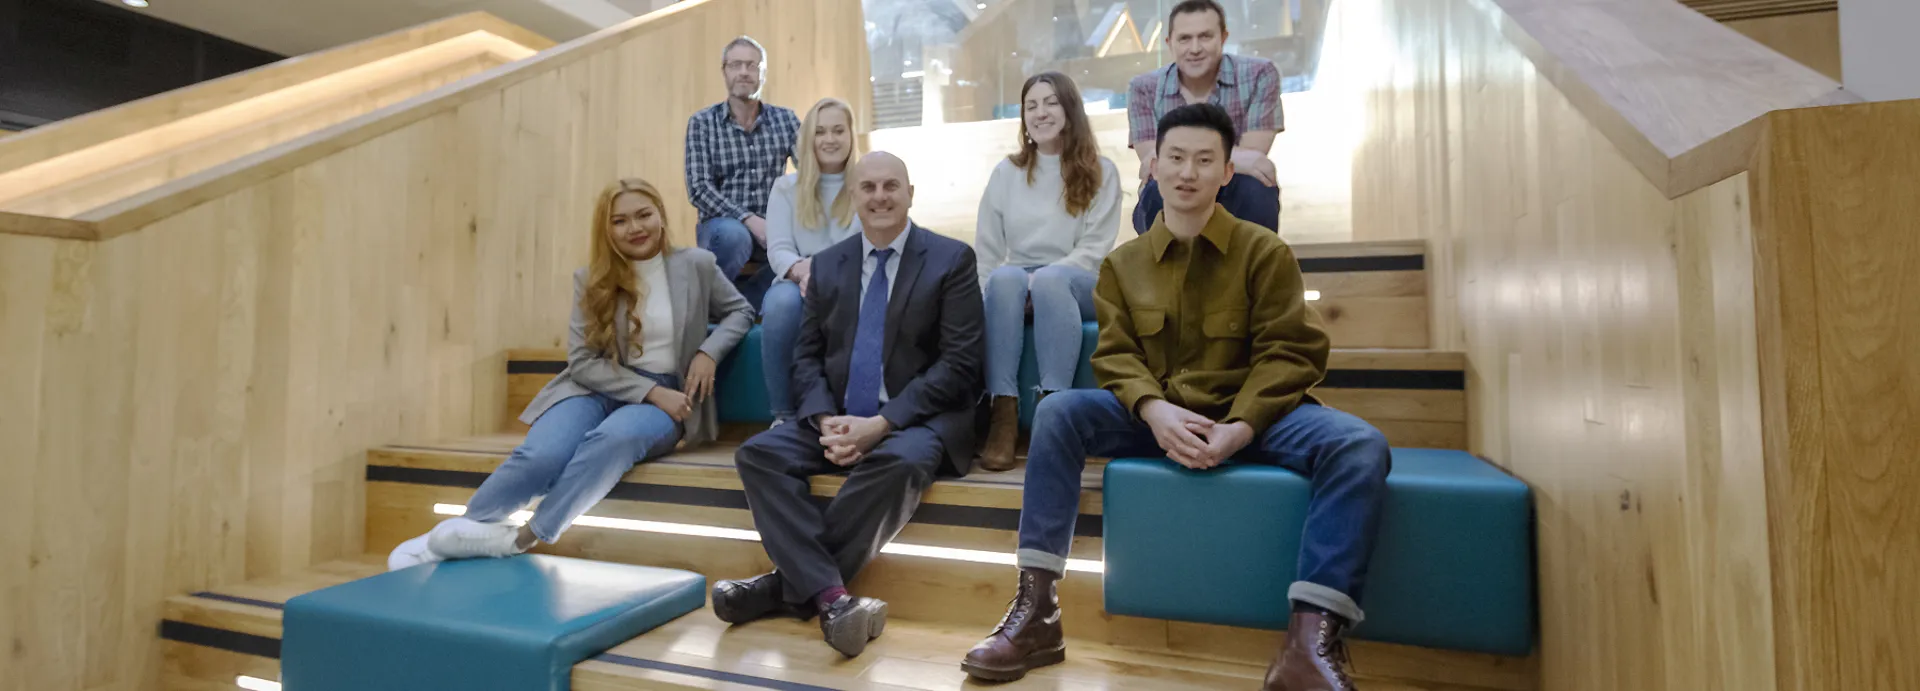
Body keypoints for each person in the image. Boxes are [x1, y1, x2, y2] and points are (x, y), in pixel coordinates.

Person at [961, 104, 1389, 691]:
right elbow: (1115, 354)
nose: (1188, 172)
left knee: (1359, 445)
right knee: (1058, 411)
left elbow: (1291, 353)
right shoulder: (1122, 265)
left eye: (1205, 160)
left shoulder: (1264, 252)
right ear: (1154, 167)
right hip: (1157, 416)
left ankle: (1308, 645)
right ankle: (1037, 614)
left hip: (1253, 417)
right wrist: (1153, 410)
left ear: (1227, 172)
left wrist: (1242, 426)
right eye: (1176, 158)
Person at [386, 178, 755, 569]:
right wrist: (648, 391)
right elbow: (582, 361)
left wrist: (707, 352)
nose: (635, 228)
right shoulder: (591, 278)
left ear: (661, 216)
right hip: (596, 385)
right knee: (540, 456)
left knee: (614, 439)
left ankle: (523, 537)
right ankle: (457, 532)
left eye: (644, 215)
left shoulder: (697, 265)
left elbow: (741, 310)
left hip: (666, 398)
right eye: (620, 221)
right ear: (606, 229)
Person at [713, 152, 985, 658]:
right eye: (869, 187)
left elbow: (960, 366)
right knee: (758, 454)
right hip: (837, 415)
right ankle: (832, 598)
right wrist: (824, 420)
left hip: (915, 420)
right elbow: (806, 357)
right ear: (853, 196)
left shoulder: (951, 259)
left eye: (891, 186)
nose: (880, 197)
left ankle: (788, 588)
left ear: (910, 193)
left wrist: (881, 424)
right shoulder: (828, 264)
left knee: (900, 461)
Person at [973, 71, 1121, 471]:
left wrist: (1040, 280)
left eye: (1051, 102)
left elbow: (1094, 250)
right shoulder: (1007, 172)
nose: (1040, 113)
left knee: (1052, 280)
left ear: (1070, 109)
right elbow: (988, 250)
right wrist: (988, 295)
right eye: (1031, 106)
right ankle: (1003, 415)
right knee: (1004, 278)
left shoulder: (1102, 170)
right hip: (1018, 280)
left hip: (1079, 282)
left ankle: (1051, 413)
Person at [1126, 0, 1283, 233]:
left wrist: (1180, 156)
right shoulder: (1143, 88)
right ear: (1170, 43)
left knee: (1257, 187)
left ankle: (1255, 257)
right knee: (1155, 191)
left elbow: (1256, 155)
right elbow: (1154, 164)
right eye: (1184, 39)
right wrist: (1237, 158)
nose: (1195, 48)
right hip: (1176, 188)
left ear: (1223, 37)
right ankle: (1165, 258)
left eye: (1205, 37)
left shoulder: (1260, 74)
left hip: (1234, 183)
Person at [761, 97, 863, 427]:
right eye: (820, 132)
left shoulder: (866, 185)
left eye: (838, 130)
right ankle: (783, 416)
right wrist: (804, 272)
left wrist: (824, 274)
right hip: (798, 279)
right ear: (808, 138)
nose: (829, 139)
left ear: (851, 135)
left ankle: (852, 410)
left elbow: (871, 244)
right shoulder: (785, 188)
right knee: (779, 303)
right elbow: (778, 249)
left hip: (853, 278)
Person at [685, 35, 801, 309]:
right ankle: (705, 308)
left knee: (807, 244)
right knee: (735, 236)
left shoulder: (786, 120)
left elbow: (811, 173)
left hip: (774, 226)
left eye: (752, 65)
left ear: (763, 73)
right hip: (722, 227)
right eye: (736, 65)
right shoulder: (702, 122)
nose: (744, 72)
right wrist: (748, 219)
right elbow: (698, 188)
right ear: (724, 71)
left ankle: (738, 308)